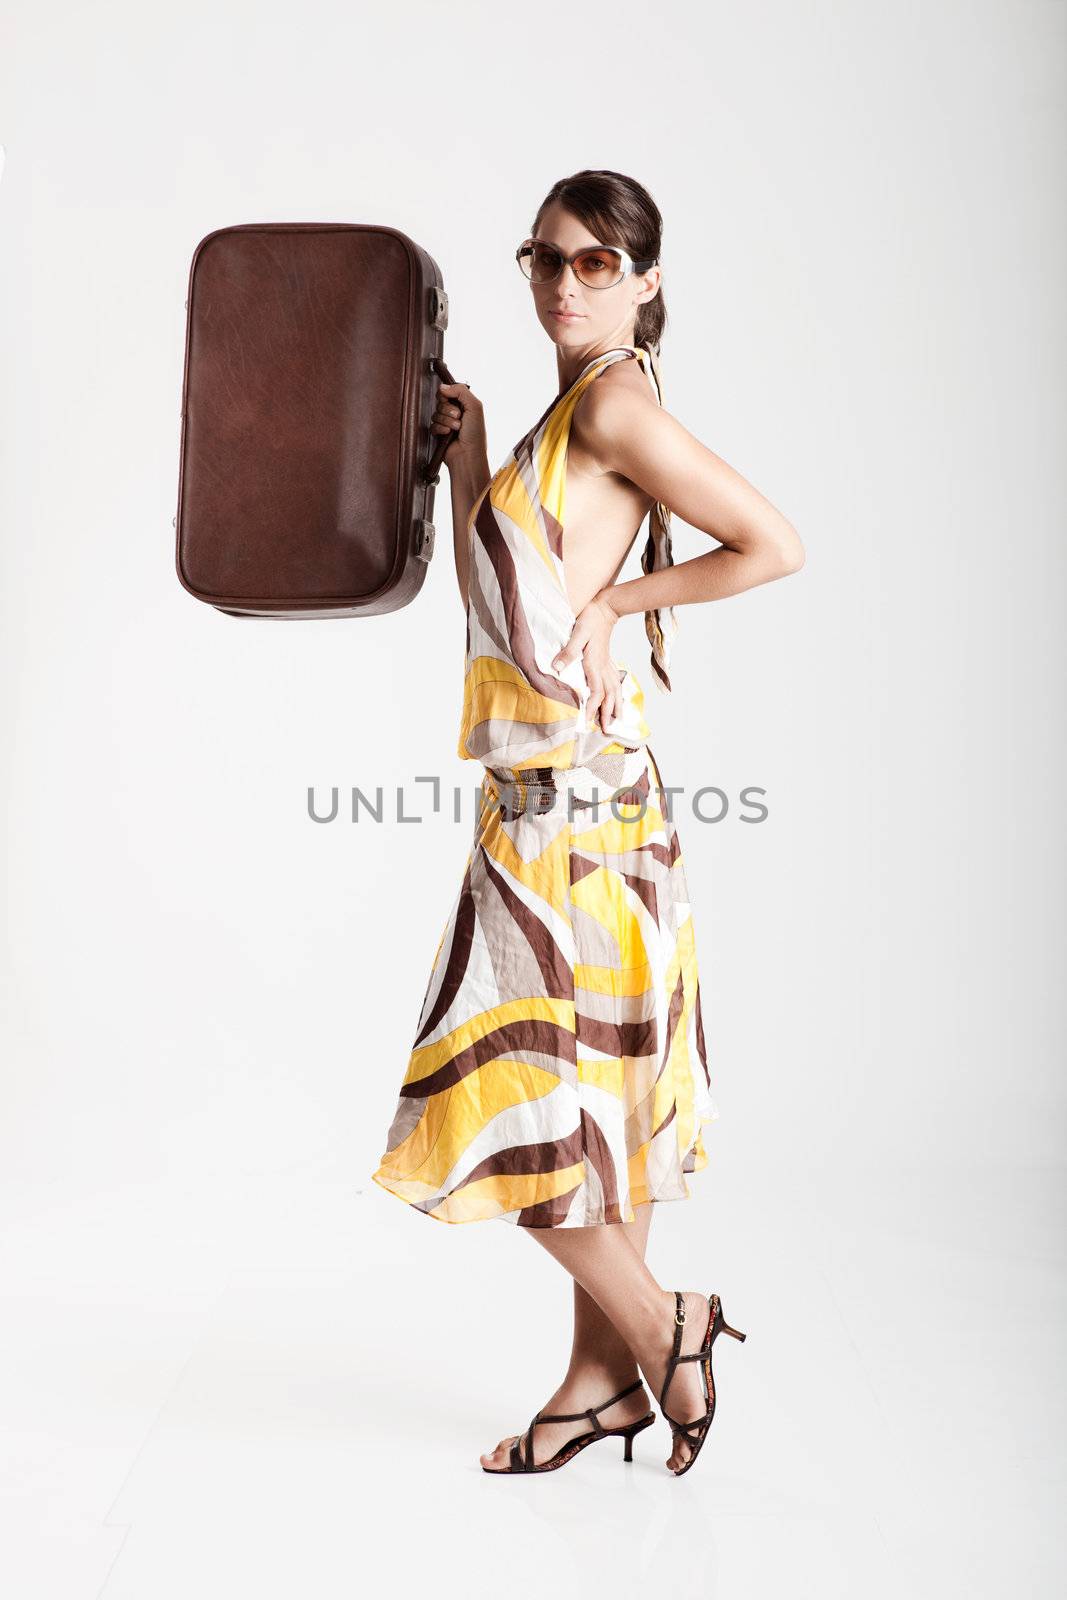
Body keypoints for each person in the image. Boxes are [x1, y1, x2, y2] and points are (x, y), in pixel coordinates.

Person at [372, 169, 803, 1476]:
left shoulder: (616, 399)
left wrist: (621, 608)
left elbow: (770, 542)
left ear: (646, 279)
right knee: (591, 1115)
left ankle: (671, 1328)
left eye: (597, 262)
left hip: (575, 807)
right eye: (546, 259)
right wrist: (471, 465)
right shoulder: (576, 413)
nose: (566, 282)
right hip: (562, 794)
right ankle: (596, 1390)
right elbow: (509, 605)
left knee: (507, 1102)